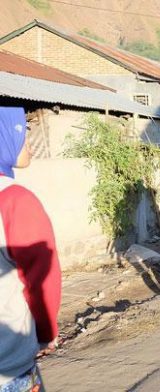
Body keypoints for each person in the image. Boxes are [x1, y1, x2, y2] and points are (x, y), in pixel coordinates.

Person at [0, 107, 61, 391]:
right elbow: (41, 277)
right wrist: (46, 332)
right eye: (22, 132)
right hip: (9, 365)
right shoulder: (15, 201)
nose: (28, 138)